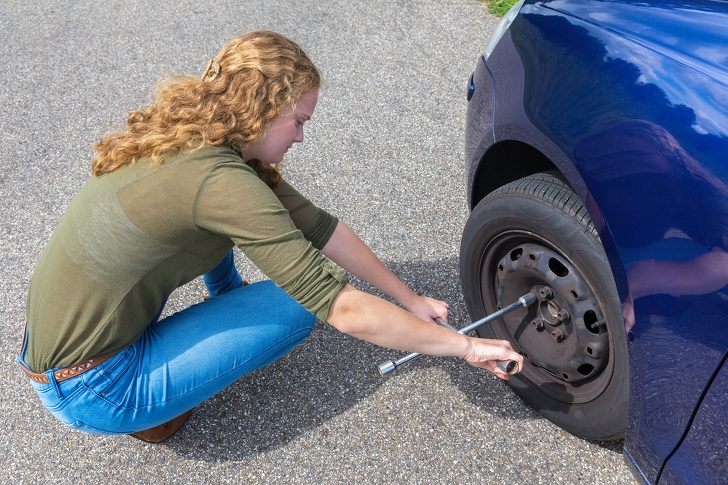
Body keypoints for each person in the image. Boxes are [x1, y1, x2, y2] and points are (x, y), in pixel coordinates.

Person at [18, 31, 523, 443]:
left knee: (226, 233)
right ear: (260, 110)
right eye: (298, 121)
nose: (302, 136)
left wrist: (408, 299)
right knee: (300, 304)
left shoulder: (193, 139)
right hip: (91, 385)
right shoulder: (222, 183)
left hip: (61, 347)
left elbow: (321, 228)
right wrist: (466, 348)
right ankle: (142, 412)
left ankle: (220, 308)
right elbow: (340, 308)